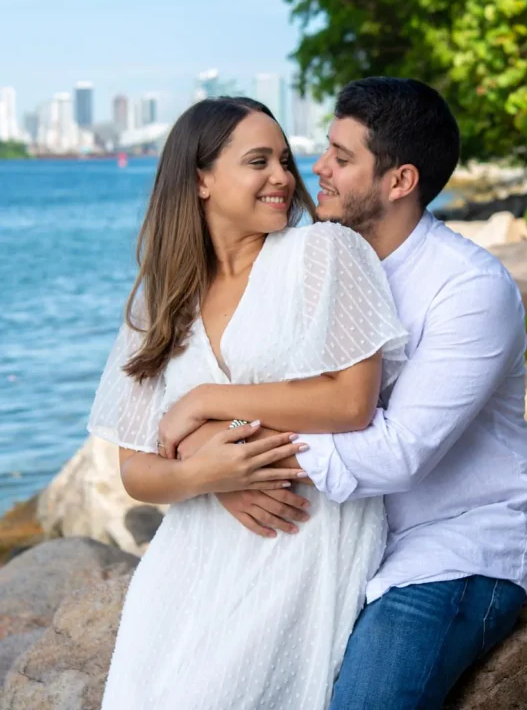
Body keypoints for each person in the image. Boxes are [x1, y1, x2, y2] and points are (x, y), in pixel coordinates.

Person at [170, 77, 527, 710]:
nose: (314, 168)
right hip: (332, 540)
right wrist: (211, 458)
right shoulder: (306, 263)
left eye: (341, 158)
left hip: (448, 549)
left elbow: (400, 453)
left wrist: (231, 451)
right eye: (326, 149)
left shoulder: (467, 289)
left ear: (399, 181)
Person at [87, 96, 408, 710]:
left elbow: (351, 402)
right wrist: (207, 476)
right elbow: (135, 469)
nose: (283, 177)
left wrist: (206, 403)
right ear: (200, 180)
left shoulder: (323, 253)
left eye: (285, 160)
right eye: (258, 162)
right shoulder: (163, 299)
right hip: (191, 551)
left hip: (300, 529)